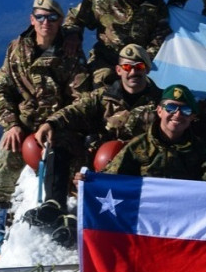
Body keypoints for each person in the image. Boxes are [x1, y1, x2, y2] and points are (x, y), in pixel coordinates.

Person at [98, 84, 206, 272]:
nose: (177, 114)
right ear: (159, 110)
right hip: (144, 228)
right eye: (171, 107)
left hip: (182, 229)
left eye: (185, 110)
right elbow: (111, 179)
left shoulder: (202, 152)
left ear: (192, 117)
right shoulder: (137, 147)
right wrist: (90, 183)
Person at [0, 0, 89, 261]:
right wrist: (11, 124)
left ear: (61, 21)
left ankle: (60, 213)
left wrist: (56, 122)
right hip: (26, 124)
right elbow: (1, 89)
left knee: (74, 170)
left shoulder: (71, 54)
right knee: (8, 156)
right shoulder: (16, 50)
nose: (45, 22)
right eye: (40, 17)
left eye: (52, 18)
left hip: (61, 126)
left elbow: (82, 99)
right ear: (32, 20)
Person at [27, 44, 163, 247]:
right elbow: (75, 110)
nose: (133, 72)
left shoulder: (160, 102)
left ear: (147, 69)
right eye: (127, 67)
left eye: (139, 66)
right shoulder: (104, 95)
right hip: (96, 160)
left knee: (112, 153)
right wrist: (51, 123)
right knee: (60, 138)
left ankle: (87, 222)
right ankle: (55, 203)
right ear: (118, 70)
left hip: (134, 170)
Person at [63, 0, 171, 88]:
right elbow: (75, 17)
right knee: (101, 87)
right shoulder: (103, 0)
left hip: (138, 66)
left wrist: (141, 62)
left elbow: (160, 39)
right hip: (105, 61)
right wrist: (73, 34)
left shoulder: (157, 8)